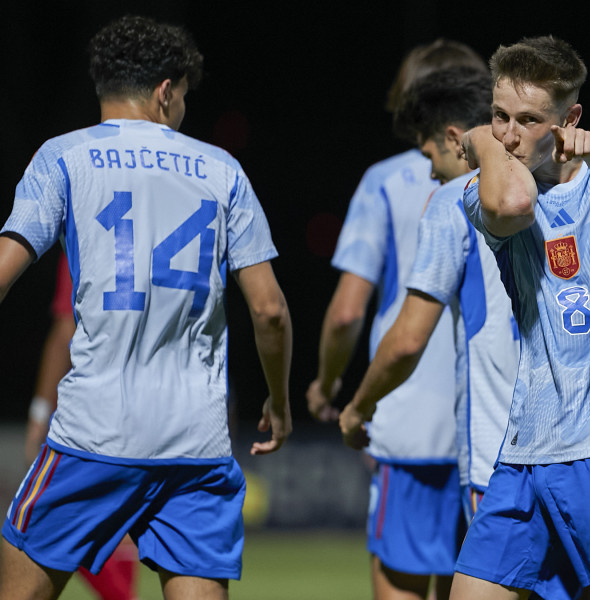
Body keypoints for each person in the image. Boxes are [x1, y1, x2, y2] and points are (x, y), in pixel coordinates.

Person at [0, 15, 292, 600]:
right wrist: (278, 403)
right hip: (197, 443)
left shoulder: (62, 157)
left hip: (95, 433)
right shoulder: (223, 170)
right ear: (166, 91)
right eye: (183, 96)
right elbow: (270, 312)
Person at [453, 36, 590, 600]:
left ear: (569, 119)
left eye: (528, 120)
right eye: (498, 115)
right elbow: (513, 206)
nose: (508, 132)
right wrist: (485, 142)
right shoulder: (487, 187)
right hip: (527, 447)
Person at [305, 40, 485, 600]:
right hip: (491, 428)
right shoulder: (518, 178)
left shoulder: (386, 180)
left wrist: (329, 384)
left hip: (408, 422)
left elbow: (347, 311)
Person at [339, 64, 520, 537]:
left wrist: (359, 406)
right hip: (577, 452)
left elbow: (406, 339)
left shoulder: (454, 199)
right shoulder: (566, 188)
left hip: (498, 456)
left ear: (456, 138)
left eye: (429, 154)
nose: (431, 170)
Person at [24, 252, 141, 600]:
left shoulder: (89, 224)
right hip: (161, 408)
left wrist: (39, 415)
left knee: (42, 528)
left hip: (93, 411)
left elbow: (65, 330)